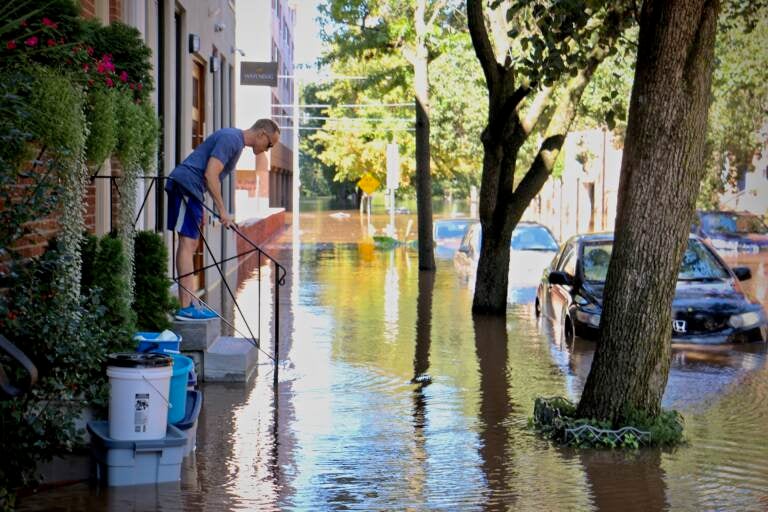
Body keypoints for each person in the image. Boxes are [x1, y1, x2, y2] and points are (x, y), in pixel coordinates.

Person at [166, 119, 280, 320]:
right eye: (269, 144)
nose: (268, 149)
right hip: (185, 186)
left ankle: (190, 303)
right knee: (186, 243)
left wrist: (205, 206)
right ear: (262, 134)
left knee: (190, 245)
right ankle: (186, 308)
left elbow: (210, 178)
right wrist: (222, 211)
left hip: (193, 190)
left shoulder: (236, 143)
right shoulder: (231, 139)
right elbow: (211, 174)